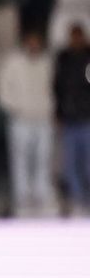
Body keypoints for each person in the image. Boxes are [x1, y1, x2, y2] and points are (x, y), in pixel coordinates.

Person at [0, 28, 56, 215]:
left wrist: (49, 108)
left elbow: (54, 88)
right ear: (25, 41)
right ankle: (21, 195)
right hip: (20, 119)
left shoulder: (47, 62)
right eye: (31, 41)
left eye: (37, 41)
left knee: (43, 157)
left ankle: (41, 195)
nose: (34, 45)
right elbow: (2, 89)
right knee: (20, 158)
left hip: (43, 118)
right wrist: (16, 107)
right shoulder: (13, 63)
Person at [56, 23, 90, 215]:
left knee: (87, 163)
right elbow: (58, 87)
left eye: (79, 37)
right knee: (70, 163)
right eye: (73, 37)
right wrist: (59, 112)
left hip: (87, 118)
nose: (76, 41)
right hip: (70, 118)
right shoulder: (63, 58)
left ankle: (87, 197)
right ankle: (76, 198)